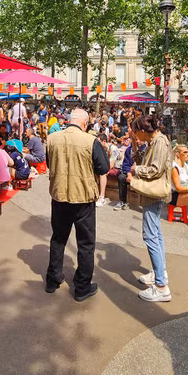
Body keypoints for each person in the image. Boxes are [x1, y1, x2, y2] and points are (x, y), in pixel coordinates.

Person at [45, 108, 109, 302]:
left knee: (58, 238)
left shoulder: (52, 138)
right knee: (86, 244)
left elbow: (49, 164)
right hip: (82, 198)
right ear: (84, 123)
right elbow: (104, 168)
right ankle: (81, 287)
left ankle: (52, 280)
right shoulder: (90, 141)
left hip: (60, 196)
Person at [125, 115, 173, 302]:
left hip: (153, 194)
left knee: (150, 235)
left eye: (137, 132)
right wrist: (134, 142)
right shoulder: (153, 141)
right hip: (152, 195)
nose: (136, 135)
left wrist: (136, 172)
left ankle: (161, 286)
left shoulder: (159, 142)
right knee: (156, 234)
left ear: (144, 131)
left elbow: (155, 169)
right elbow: (137, 158)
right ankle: (159, 273)